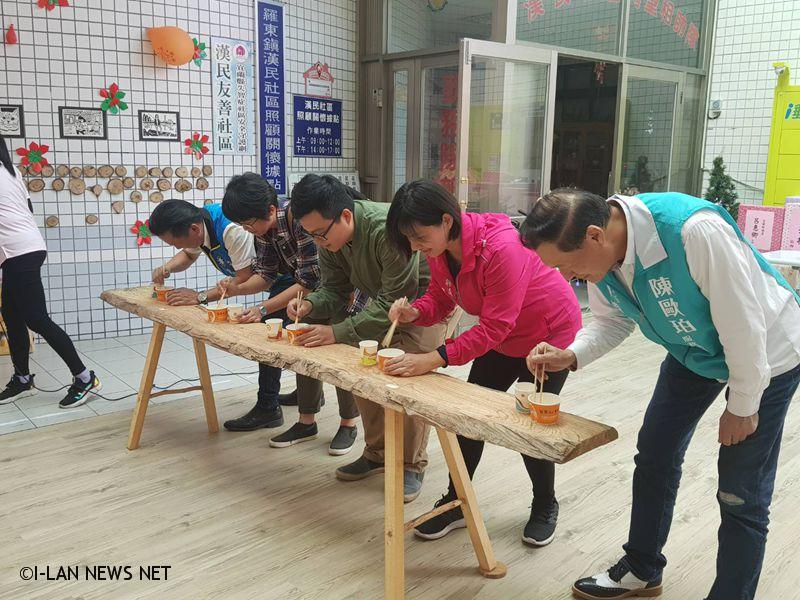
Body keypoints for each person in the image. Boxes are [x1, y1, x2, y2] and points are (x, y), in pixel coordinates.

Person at [523, 188, 800, 600]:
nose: (566, 277)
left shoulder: (693, 231)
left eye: (566, 265)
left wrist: (743, 406)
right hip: (694, 349)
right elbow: (612, 320)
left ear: (595, 235)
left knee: (740, 491)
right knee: (655, 453)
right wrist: (572, 354)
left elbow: (744, 325)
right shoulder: (603, 258)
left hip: (766, 352)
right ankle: (642, 568)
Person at [383, 179, 582, 545]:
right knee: (469, 417)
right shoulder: (440, 247)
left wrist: (435, 358)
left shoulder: (502, 248)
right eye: (409, 239)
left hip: (546, 337)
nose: (415, 246)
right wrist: (415, 312)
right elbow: (441, 298)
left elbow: (493, 326)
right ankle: (457, 502)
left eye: (418, 237)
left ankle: (544, 503)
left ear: (446, 221)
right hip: (503, 334)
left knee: (531, 424)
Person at [287, 174, 448, 502]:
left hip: (424, 303)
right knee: (363, 371)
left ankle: (411, 463)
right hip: (386, 302)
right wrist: (310, 303)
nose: (317, 241)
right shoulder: (330, 239)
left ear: (345, 216)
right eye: (310, 234)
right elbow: (334, 289)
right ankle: (377, 454)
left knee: (408, 380)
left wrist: (336, 332)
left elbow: (395, 299)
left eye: (320, 233)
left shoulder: (385, 229)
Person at [218, 172, 363, 455]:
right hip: (313, 295)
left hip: (340, 291)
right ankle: (306, 421)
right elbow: (266, 275)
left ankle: (349, 423)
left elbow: (309, 280)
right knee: (303, 348)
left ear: (271, 210)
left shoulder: (302, 220)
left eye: (249, 223)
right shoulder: (263, 230)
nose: (247, 229)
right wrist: (237, 289)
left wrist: (262, 308)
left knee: (341, 355)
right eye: (242, 225)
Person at [148, 199, 291, 428]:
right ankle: (307, 395)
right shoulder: (198, 222)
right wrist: (167, 268)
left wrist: (199, 297)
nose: (175, 248)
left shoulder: (230, 230)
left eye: (175, 243)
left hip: (287, 279)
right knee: (286, 335)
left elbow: (244, 279)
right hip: (270, 279)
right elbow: (188, 254)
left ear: (193, 229)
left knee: (269, 339)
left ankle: (268, 408)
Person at [0, 134, 101, 408]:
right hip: (23, 249)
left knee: (36, 319)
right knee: (12, 316)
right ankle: (22, 379)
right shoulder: (10, 171)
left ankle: (85, 377)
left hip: (19, 252)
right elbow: (28, 207)